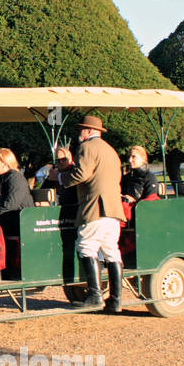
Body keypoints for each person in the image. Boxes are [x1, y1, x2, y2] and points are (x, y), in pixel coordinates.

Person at [55, 114, 126, 313]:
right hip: (113, 209)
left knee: (86, 246)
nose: (78, 134)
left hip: (95, 207)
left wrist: (60, 177)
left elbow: (82, 174)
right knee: (111, 251)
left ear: (88, 131)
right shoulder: (111, 151)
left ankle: (95, 296)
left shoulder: (87, 148)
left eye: (80, 130)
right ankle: (116, 299)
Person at [0, 148, 31, 225]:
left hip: (17, 222)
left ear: (5, 164)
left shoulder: (16, 178)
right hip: (0, 220)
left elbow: (11, 205)